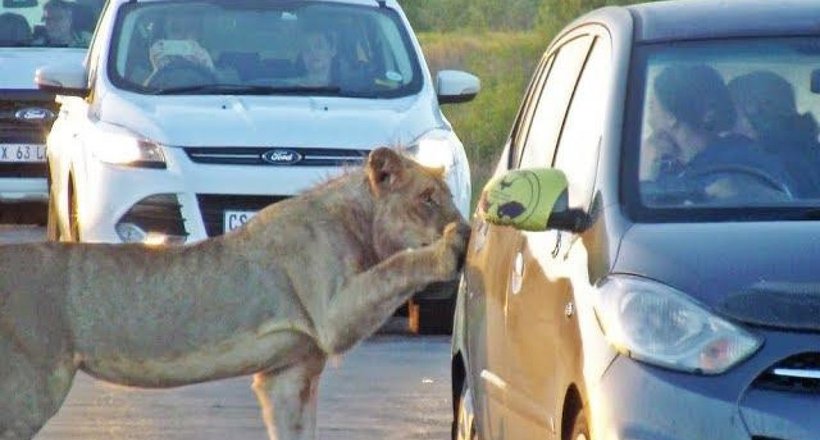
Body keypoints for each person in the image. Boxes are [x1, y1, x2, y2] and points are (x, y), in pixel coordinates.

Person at [644, 64, 794, 203]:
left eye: (652, 107)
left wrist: (645, 176)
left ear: (672, 117)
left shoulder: (732, 172)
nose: (649, 120)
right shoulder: (680, 169)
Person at [728, 71, 820, 198]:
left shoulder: (756, 165)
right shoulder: (812, 154)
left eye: (730, 111)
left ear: (753, 110)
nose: (725, 122)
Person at [148, 14, 214, 74]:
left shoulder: (220, 65)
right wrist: (156, 71)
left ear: (199, 34)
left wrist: (208, 69)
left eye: (190, 29)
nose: (183, 36)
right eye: (176, 30)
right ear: (166, 34)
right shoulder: (143, 68)